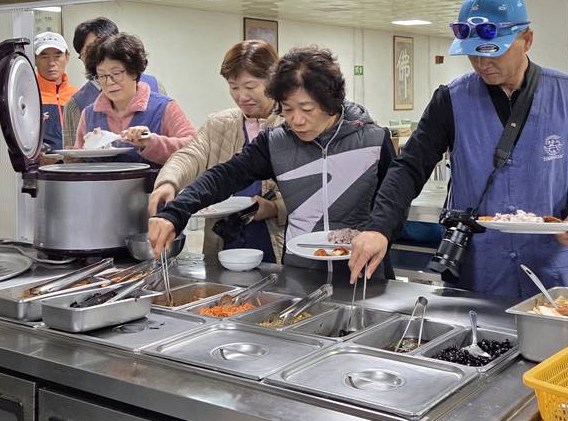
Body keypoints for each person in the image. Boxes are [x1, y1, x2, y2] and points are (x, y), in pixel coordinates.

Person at [352, 0, 568, 299]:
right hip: (479, 272)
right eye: (473, 53)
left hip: (551, 269)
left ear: (527, 39)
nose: (482, 63)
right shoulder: (450, 99)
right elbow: (409, 168)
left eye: (493, 51)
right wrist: (379, 226)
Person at [148, 47, 396, 277]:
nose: (296, 120)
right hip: (300, 275)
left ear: (330, 102)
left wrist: (380, 232)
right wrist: (175, 213)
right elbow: (225, 176)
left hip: (365, 273)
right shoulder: (275, 142)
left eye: (306, 109)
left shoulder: (373, 140)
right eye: (287, 109)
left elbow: (394, 202)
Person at [147, 40, 288, 263]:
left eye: (250, 86)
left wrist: (275, 208)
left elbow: (312, 193)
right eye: (234, 87)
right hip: (224, 240)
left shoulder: (291, 124)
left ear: (273, 81)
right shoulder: (220, 124)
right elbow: (190, 155)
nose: (242, 96)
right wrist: (169, 182)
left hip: (276, 241)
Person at [75, 33, 196, 165]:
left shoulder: (164, 107)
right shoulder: (89, 114)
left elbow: (194, 148)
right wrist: (73, 159)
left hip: (154, 179)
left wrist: (151, 142)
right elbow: (81, 159)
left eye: (116, 73)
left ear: (134, 72)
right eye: (102, 76)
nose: (109, 82)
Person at [63, 17, 165, 148]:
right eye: (89, 51)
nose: (98, 54)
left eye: (103, 46)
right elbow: (74, 152)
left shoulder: (155, 86)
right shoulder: (76, 104)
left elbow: (182, 145)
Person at [33, 31, 77, 152]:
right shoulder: (28, 95)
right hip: (40, 164)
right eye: (44, 56)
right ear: (35, 59)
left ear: (67, 57)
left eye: (57, 56)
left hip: (76, 162)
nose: (51, 63)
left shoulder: (78, 96)